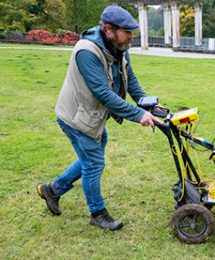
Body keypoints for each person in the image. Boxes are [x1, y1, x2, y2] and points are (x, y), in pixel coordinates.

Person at [36, 5, 161, 231]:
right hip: (75, 117)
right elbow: (102, 93)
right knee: (94, 164)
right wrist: (138, 114)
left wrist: (147, 103)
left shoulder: (119, 46)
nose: (132, 37)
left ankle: (53, 190)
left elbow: (129, 78)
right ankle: (97, 213)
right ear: (109, 29)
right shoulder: (86, 51)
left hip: (91, 115)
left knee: (90, 157)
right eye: (127, 32)